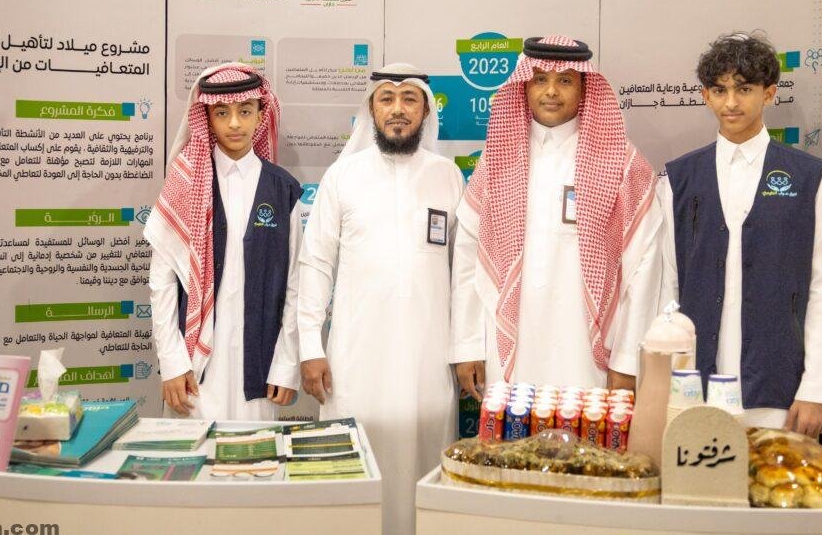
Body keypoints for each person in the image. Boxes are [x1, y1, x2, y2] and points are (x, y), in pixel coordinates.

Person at [297, 63, 463, 535]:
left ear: (425, 110)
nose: (397, 109)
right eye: (386, 99)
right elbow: (315, 263)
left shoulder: (448, 176)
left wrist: (468, 348)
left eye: (409, 99)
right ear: (371, 109)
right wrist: (309, 346)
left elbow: (466, 272)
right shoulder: (343, 176)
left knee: (425, 468)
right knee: (356, 470)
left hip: (428, 359)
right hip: (355, 359)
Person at [450, 36, 661, 396]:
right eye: (540, 79)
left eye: (565, 80)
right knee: (512, 431)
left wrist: (628, 360)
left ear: (584, 89)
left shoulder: (622, 164)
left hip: (587, 354)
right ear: (524, 86)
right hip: (510, 346)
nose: (551, 91)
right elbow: (469, 256)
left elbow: (645, 266)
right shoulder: (496, 160)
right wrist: (467, 346)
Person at [659, 32, 822, 437]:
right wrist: (666, 382)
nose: (731, 103)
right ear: (705, 96)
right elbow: (668, 285)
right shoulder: (679, 178)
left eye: (744, 89)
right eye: (719, 90)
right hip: (694, 390)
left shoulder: (808, 178)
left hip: (778, 389)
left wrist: (815, 389)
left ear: (769, 93)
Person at [145, 63, 302, 420]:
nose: (234, 123)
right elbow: (162, 282)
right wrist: (171, 362)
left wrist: (286, 364)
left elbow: (295, 284)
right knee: (196, 451)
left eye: (245, 111)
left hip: (261, 365)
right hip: (196, 367)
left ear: (260, 114)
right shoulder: (185, 183)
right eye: (222, 113)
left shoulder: (283, 189)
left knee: (256, 453)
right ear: (207, 118)